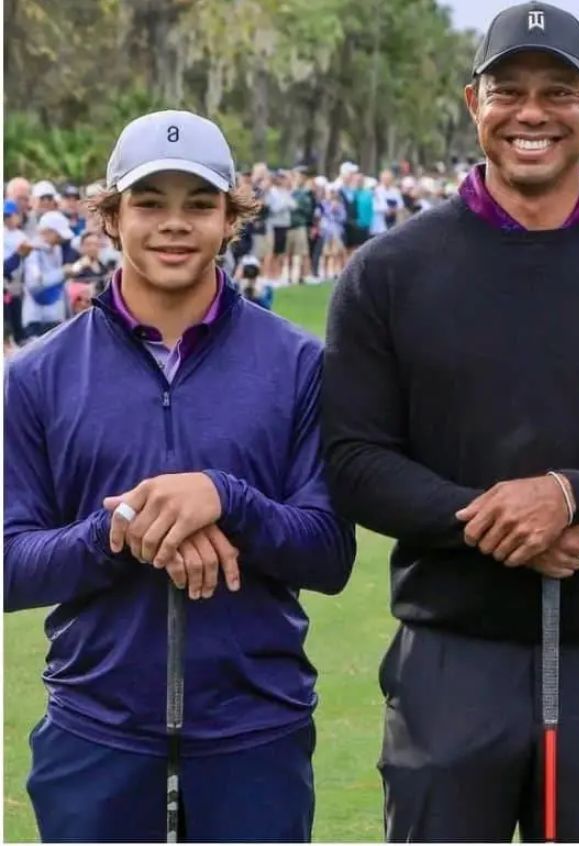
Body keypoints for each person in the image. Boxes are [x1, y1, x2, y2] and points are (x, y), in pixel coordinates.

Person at [321, 2, 579, 842]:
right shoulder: (388, 274)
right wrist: (503, 522)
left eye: (558, 91)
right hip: (451, 662)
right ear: (473, 102)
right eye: (509, 90)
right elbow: (354, 461)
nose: (532, 112)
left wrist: (571, 495)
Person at [5, 109, 355, 844]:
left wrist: (226, 499)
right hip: (95, 735)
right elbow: (9, 564)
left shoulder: (299, 365)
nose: (174, 224)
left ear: (232, 218)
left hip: (255, 733)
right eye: (149, 203)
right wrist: (122, 531)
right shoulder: (37, 376)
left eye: (199, 204)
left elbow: (328, 553)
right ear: (108, 216)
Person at [21, 210, 76, 339]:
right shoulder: (32, 252)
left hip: (55, 316)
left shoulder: (57, 249)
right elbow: (34, 284)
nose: (61, 239)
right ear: (48, 231)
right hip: (36, 319)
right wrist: (62, 272)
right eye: (58, 234)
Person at [3, 198, 31, 346]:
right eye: (5, 216)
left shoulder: (22, 236)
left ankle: (20, 339)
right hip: (5, 281)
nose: (7, 219)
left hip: (18, 284)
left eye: (10, 215)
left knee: (17, 314)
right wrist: (18, 254)